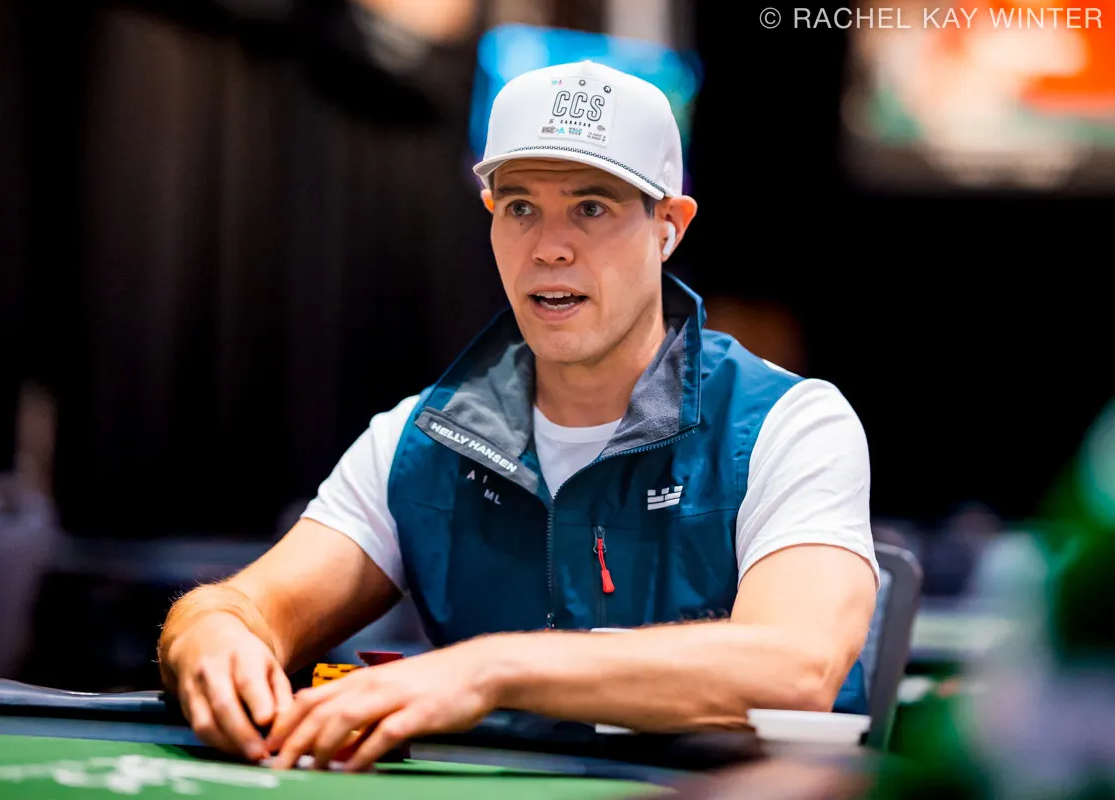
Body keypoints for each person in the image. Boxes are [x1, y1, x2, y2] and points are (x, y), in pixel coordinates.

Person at [157, 60, 879, 772]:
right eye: (520, 208)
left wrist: (487, 670)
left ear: (668, 225)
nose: (549, 248)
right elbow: (247, 608)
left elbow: (796, 666)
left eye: (591, 207)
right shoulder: (421, 438)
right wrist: (209, 636)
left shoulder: (789, 424)